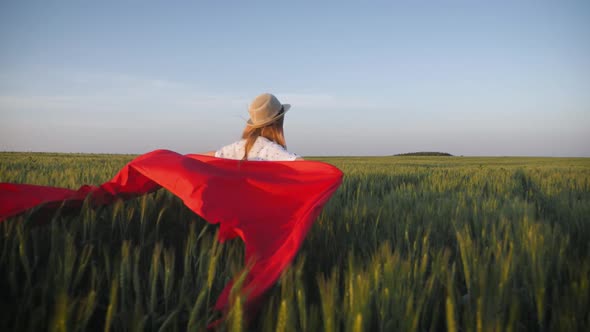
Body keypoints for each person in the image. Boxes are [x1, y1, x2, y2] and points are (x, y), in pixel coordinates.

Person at [203, 93, 303, 161]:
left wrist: (187, 159)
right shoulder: (272, 151)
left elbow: (205, 157)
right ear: (278, 124)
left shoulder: (236, 148)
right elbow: (306, 166)